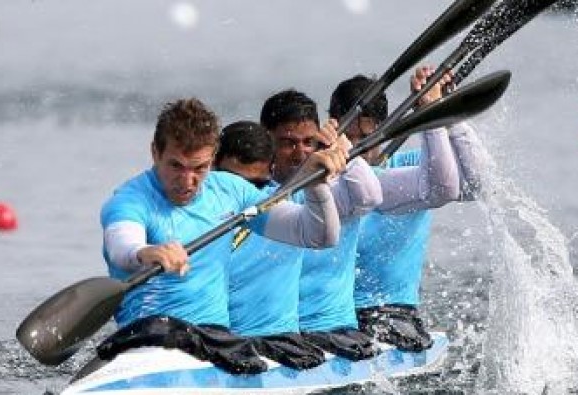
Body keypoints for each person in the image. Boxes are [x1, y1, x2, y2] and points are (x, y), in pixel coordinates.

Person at [99, 99, 350, 367]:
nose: (187, 181)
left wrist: (316, 185)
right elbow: (121, 246)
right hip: (150, 336)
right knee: (164, 328)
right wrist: (146, 252)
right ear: (155, 153)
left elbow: (317, 236)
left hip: (213, 339)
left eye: (199, 168)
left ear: (212, 158)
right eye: (176, 166)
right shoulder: (130, 200)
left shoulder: (230, 191)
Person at [330, 66, 484, 352]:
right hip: (332, 315)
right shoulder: (323, 180)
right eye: (348, 138)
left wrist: (441, 114)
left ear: (384, 129)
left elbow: (476, 185)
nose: (355, 148)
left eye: (364, 139)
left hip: (390, 312)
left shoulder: (415, 170)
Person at [216, 119, 381, 368]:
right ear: (212, 167)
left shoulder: (289, 200)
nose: (239, 191)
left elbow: (369, 198)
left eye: (254, 185)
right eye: (229, 179)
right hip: (219, 336)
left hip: (283, 339)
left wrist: (344, 156)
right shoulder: (194, 206)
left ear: (270, 171)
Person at [260, 89, 383, 361]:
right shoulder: (255, 194)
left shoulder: (336, 189)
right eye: (288, 143)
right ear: (266, 140)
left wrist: (342, 148)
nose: (300, 153)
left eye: (308, 142)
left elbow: (372, 197)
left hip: (332, 330)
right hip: (276, 333)